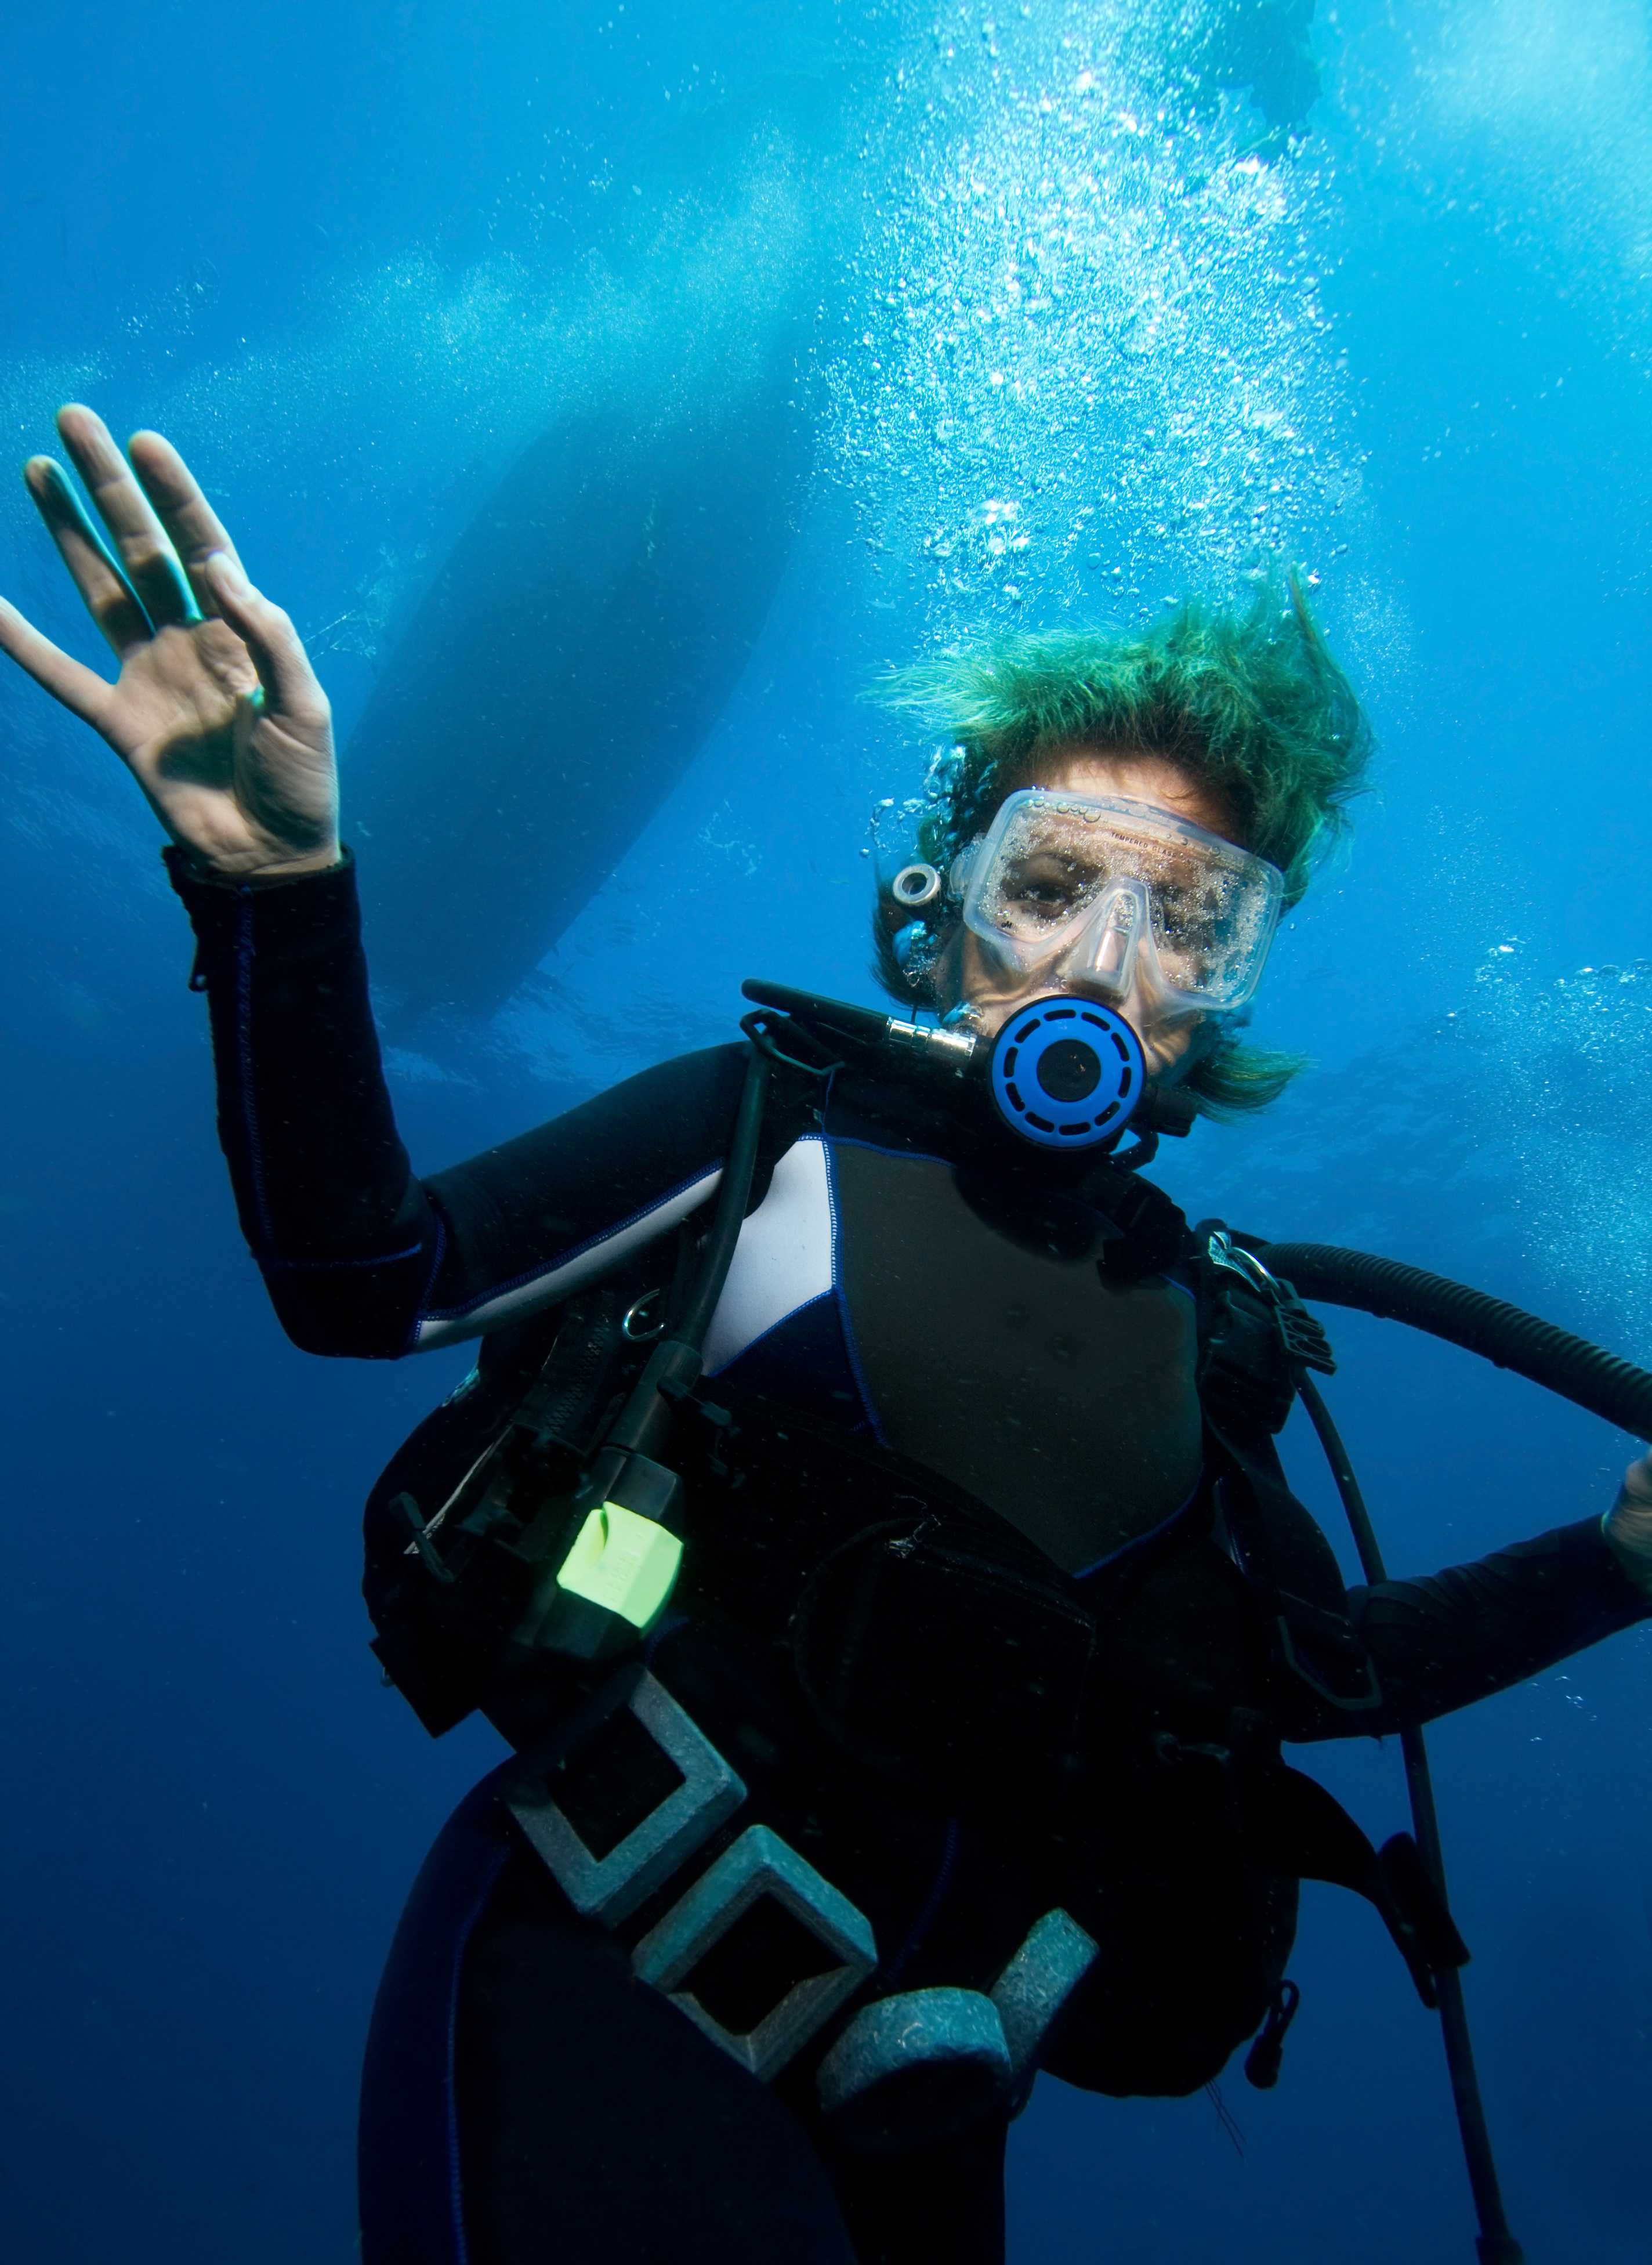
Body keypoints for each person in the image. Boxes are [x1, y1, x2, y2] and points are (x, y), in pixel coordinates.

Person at [5, 404, 1651, 2265]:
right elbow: (371, 1278)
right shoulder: (764, 1128)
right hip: (588, 1990)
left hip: (927, 2124)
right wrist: (274, 885)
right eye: (1050, 885)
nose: (1105, 966)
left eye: (1190, 920)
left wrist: (1615, 1562)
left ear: (1226, 993)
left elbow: (1312, 1674)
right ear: (937, 916)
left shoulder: (1217, 1332)